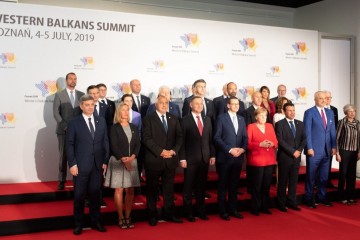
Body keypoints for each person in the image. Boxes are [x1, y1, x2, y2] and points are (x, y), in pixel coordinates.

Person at [66, 94, 109, 235]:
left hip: (97, 165)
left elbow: (105, 142)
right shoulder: (74, 122)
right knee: (79, 196)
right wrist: (72, 164)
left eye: (92, 105)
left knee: (96, 195)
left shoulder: (101, 121)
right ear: (81, 106)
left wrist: (104, 160)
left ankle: (95, 221)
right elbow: (69, 144)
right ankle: (78, 224)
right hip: (80, 166)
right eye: (87, 105)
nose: (90, 107)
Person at [142, 95, 183, 226]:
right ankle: (152, 215)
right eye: (161, 103)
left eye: (166, 103)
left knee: (169, 190)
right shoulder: (148, 119)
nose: (164, 105)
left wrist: (173, 151)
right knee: (152, 190)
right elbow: (146, 139)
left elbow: (179, 138)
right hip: (154, 160)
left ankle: (169, 214)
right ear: (156, 105)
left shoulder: (174, 119)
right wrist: (161, 151)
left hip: (170, 160)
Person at [105, 102, 141, 229]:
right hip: (118, 161)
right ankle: (120, 217)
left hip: (132, 161)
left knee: (130, 190)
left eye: (127, 110)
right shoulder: (114, 128)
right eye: (123, 110)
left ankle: (128, 216)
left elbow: (138, 144)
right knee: (119, 189)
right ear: (119, 112)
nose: (126, 112)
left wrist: (132, 157)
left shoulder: (134, 127)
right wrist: (124, 160)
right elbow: (114, 146)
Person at [180, 96, 216, 222]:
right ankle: (188, 213)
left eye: (201, 103)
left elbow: (210, 140)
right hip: (190, 159)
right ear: (191, 105)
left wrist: (212, 155)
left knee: (201, 187)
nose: (200, 105)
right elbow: (181, 142)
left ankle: (201, 211)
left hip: (204, 159)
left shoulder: (207, 119)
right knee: (188, 188)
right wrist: (182, 158)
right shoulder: (184, 120)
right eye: (197, 103)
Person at [214, 96, 248, 220]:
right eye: (233, 104)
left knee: (234, 185)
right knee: (223, 186)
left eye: (237, 104)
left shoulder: (241, 119)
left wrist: (242, 149)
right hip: (225, 157)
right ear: (228, 105)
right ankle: (222, 211)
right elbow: (217, 138)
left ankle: (233, 209)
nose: (236, 106)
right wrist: (230, 149)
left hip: (238, 157)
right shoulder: (221, 118)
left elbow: (245, 138)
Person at [303, 91, 336, 208]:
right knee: (311, 176)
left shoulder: (330, 112)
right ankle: (308, 198)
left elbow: (332, 131)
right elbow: (307, 132)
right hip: (314, 151)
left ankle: (321, 197)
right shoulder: (309, 112)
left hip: (327, 151)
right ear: (315, 99)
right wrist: (309, 147)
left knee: (324, 177)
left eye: (325, 98)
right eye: (321, 98)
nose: (323, 100)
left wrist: (334, 146)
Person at [53, 72, 84, 190]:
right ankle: (61, 181)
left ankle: (78, 180)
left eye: (75, 79)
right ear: (66, 81)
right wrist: (65, 126)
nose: (73, 80)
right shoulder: (59, 95)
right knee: (63, 156)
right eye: (70, 79)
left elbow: (84, 112)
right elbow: (56, 113)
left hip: (79, 132)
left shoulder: (82, 94)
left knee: (79, 156)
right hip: (63, 131)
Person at [275, 102, 306, 212]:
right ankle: (281, 203)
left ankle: (292, 201)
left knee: (293, 181)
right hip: (285, 157)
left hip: (297, 157)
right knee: (283, 181)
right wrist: (293, 151)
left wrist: (299, 151)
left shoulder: (300, 124)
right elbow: (280, 141)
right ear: (284, 111)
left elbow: (304, 139)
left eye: (293, 110)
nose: (292, 112)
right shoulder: (279, 124)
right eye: (289, 110)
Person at [246, 107, 278, 216]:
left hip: (269, 160)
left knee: (267, 185)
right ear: (256, 117)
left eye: (265, 115)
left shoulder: (269, 126)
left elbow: (276, 142)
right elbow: (247, 144)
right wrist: (260, 144)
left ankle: (265, 206)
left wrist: (272, 144)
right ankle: (255, 207)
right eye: (261, 115)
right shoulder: (251, 127)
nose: (264, 118)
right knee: (257, 186)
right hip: (257, 160)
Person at [336, 104, 360, 205]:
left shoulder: (358, 123)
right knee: (343, 174)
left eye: (354, 111)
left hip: (354, 151)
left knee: (352, 175)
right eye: (350, 111)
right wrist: (337, 153)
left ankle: (351, 196)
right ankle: (341, 196)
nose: (352, 113)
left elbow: (359, 139)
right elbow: (336, 138)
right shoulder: (342, 122)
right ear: (346, 112)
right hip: (344, 151)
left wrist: (359, 151)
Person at [324, 90, 339, 188]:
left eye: (330, 97)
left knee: (329, 161)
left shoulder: (334, 109)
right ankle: (318, 182)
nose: (329, 99)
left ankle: (328, 181)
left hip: (331, 140)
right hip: (321, 140)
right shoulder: (319, 109)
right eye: (327, 97)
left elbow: (335, 126)